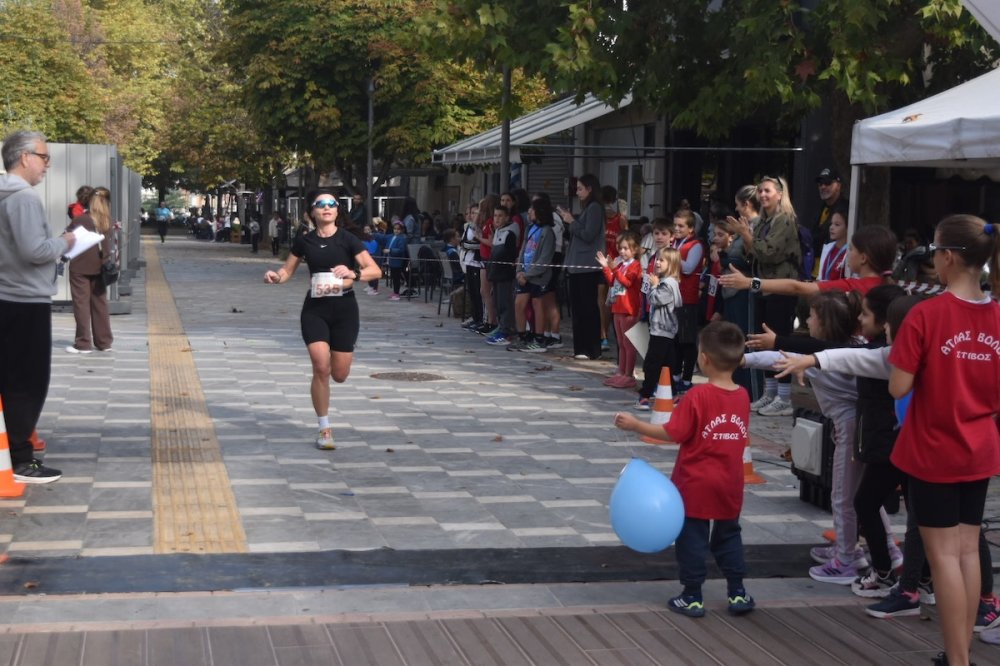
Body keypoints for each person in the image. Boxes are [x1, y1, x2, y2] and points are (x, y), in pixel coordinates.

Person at [887, 214, 999, 666]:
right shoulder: (997, 316)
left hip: (934, 447)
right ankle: (961, 652)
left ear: (948, 257)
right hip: (980, 446)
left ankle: (958, 660)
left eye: (935, 252)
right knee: (969, 550)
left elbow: (898, 387)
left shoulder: (926, 315)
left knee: (944, 557)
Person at [613, 321, 755, 619]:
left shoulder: (698, 397)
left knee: (693, 538)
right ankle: (738, 592)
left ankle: (692, 595)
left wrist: (637, 424)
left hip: (696, 484)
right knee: (729, 536)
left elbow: (674, 433)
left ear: (703, 358)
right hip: (730, 483)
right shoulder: (743, 396)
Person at [263, 189, 381, 450]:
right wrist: (275, 277)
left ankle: (338, 368)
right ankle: (324, 428)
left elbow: (375, 270)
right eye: (321, 204)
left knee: (339, 374)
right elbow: (287, 271)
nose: (327, 207)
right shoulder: (304, 241)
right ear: (312, 212)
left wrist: (353, 273)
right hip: (315, 310)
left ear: (337, 211)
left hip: (345, 311)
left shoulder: (348, 240)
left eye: (332, 204)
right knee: (320, 367)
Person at [0, 130, 77, 482]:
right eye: (44, 157)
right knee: (28, 382)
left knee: (10, 378)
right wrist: (65, 241)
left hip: (6, 296)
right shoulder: (24, 199)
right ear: (25, 157)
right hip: (25, 299)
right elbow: (35, 251)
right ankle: (21, 459)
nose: (47, 164)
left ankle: (14, 452)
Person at [719, 176, 800, 416]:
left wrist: (745, 234)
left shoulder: (784, 220)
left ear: (779, 194)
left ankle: (784, 397)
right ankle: (769, 392)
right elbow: (752, 255)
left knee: (778, 340)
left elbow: (769, 253)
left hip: (781, 286)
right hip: (764, 286)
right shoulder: (766, 220)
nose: (763, 195)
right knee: (764, 339)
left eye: (767, 191)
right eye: (761, 191)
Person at [558, 174, 605, 361]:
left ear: (590, 188)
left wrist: (572, 222)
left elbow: (588, 234)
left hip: (587, 265)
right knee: (578, 309)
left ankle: (591, 348)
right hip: (576, 265)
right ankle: (580, 348)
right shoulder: (587, 209)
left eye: (580, 189)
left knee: (587, 308)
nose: (577, 193)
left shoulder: (595, 208)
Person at [66, 186, 114, 354]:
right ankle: (104, 342)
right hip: (102, 266)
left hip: (80, 266)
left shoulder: (81, 220)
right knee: (100, 304)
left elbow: (66, 237)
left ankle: (83, 343)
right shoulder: (107, 221)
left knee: (81, 304)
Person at [634, 247, 682, 410]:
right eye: (657, 260)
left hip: (662, 331)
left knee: (652, 364)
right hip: (666, 331)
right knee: (667, 365)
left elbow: (655, 299)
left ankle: (645, 395)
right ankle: (673, 395)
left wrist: (653, 286)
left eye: (662, 260)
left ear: (672, 264)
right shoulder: (670, 282)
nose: (658, 263)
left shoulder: (667, 284)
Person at [508, 196, 555, 352]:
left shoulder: (547, 232)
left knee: (538, 305)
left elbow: (544, 259)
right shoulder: (530, 228)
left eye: (532, 209)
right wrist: (519, 271)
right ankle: (522, 336)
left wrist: (527, 275)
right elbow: (522, 251)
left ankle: (539, 338)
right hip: (524, 275)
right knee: (519, 304)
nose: (529, 211)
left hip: (538, 277)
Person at [597, 230, 643, 388]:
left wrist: (614, 269)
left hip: (629, 309)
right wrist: (606, 268)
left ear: (635, 249)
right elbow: (612, 282)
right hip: (618, 307)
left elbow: (627, 282)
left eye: (625, 248)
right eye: (620, 248)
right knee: (621, 342)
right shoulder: (621, 265)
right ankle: (621, 372)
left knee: (629, 344)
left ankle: (628, 374)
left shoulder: (636, 266)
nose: (622, 251)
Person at [672, 209, 705, 393]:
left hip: (688, 299)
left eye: (681, 226)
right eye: (675, 225)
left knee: (687, 340)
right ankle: (676, 375)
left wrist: (671, 257)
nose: (676, 229)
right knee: (676, 339)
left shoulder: (696, 245)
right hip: (674, 298)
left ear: (691, 229)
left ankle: (686, 379)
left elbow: (689, 268)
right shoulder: (676, 243)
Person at [485, 204, 518, 346]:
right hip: (495, 275)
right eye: (495, 216)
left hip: (505, 275)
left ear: (506, 217)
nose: (497, 219)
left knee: (505, 303)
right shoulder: (497, 232)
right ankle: (500, 326)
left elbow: (510, 256)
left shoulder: (509, 234)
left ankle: (506, 332)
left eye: (500, 216)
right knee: (497, 303)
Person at [599, 186, 626, 351]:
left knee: (607, 301)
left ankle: (605, 335)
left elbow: (628, 239)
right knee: (602, 300)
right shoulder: (599, 217)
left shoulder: (620, 219)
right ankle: (603, 335)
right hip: (602, 262)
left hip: (614, 263)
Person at [814, 167, 845, 267]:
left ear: (838, 186)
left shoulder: (846, 209)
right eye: (820, 183)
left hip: (835, 266)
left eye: (827, 183)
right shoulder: (821, 207)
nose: (823, 187)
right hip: (816, 268)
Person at [375, 220, 408, 301]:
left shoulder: (402, 238)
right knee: (393, 277)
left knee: (396, 278)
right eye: (395, 229)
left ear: (402, 230)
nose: (396, 230)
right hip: (392, 260)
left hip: (397, 261)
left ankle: (396, 294)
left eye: (398, 229)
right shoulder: (391, 236)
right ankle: (395, 292)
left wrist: (390, 250)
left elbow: (401, 250)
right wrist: (374, 234)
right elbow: (383, 238)